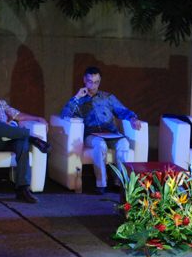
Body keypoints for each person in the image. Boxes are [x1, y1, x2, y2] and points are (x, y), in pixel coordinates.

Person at [59, 66, 142, 194]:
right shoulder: (79, 100)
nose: (93, 86)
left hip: (110, 132)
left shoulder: (107, 97)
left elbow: (123, 111)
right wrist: (77, 97)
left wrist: (133, 118)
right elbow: (65, 114)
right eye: (90, 82)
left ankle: (120, 182)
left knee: (124, 143)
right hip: (92, 135)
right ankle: (101, 184)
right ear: (84, 80)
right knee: (100, 144)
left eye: (96, 82)